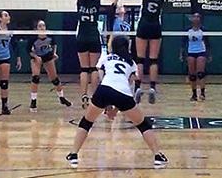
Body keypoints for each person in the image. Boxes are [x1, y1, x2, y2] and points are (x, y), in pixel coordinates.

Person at [66, 35, 168, 167]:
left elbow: (101, 78)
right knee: (144, 125)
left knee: (86, 122)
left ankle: (73, 154)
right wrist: (115, 109)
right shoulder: (131, 63)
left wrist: (107, 107)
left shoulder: (106, 58)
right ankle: (158, 156)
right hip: (123, 94)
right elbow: (124, 87)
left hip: (104, 90)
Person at [135, 0, 168, 104]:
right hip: (156, 25)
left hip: (143, 24)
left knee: (140, 59)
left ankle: (138, 87)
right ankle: (153, 87)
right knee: (153, 60)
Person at [27, 19, 72, 111]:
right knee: (35, 78)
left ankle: (62, 98)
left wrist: (54, 53)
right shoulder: (33, 38)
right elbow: (28, 51)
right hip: (37, 57)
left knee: (55, 79)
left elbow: (54, 45)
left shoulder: (50, 35)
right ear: (36, 29)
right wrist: (36, 57)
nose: (42, 28)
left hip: (47, 57)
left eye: (43, 26)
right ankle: (33, 101)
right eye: (40, 26)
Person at [76, 0, 104, 108]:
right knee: (93, 68)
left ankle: (84, 95)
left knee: (84, 69)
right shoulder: (96, 3)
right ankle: (94, 96)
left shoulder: (80, 1)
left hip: (81, 37)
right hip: (93, 36)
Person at [181, 13, 211, 101]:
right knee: (192, 75)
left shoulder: (203, 30)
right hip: (191, 52)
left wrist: (209, 54)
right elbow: (183, 43)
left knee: (200, 74)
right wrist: (181, 54)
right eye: (195, 17)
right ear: (192, 19)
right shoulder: (188, 30)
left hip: (201, 51)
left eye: (198, 16)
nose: (196, 18)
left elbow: (207, 43)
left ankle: (202, 93)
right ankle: (194, 94)